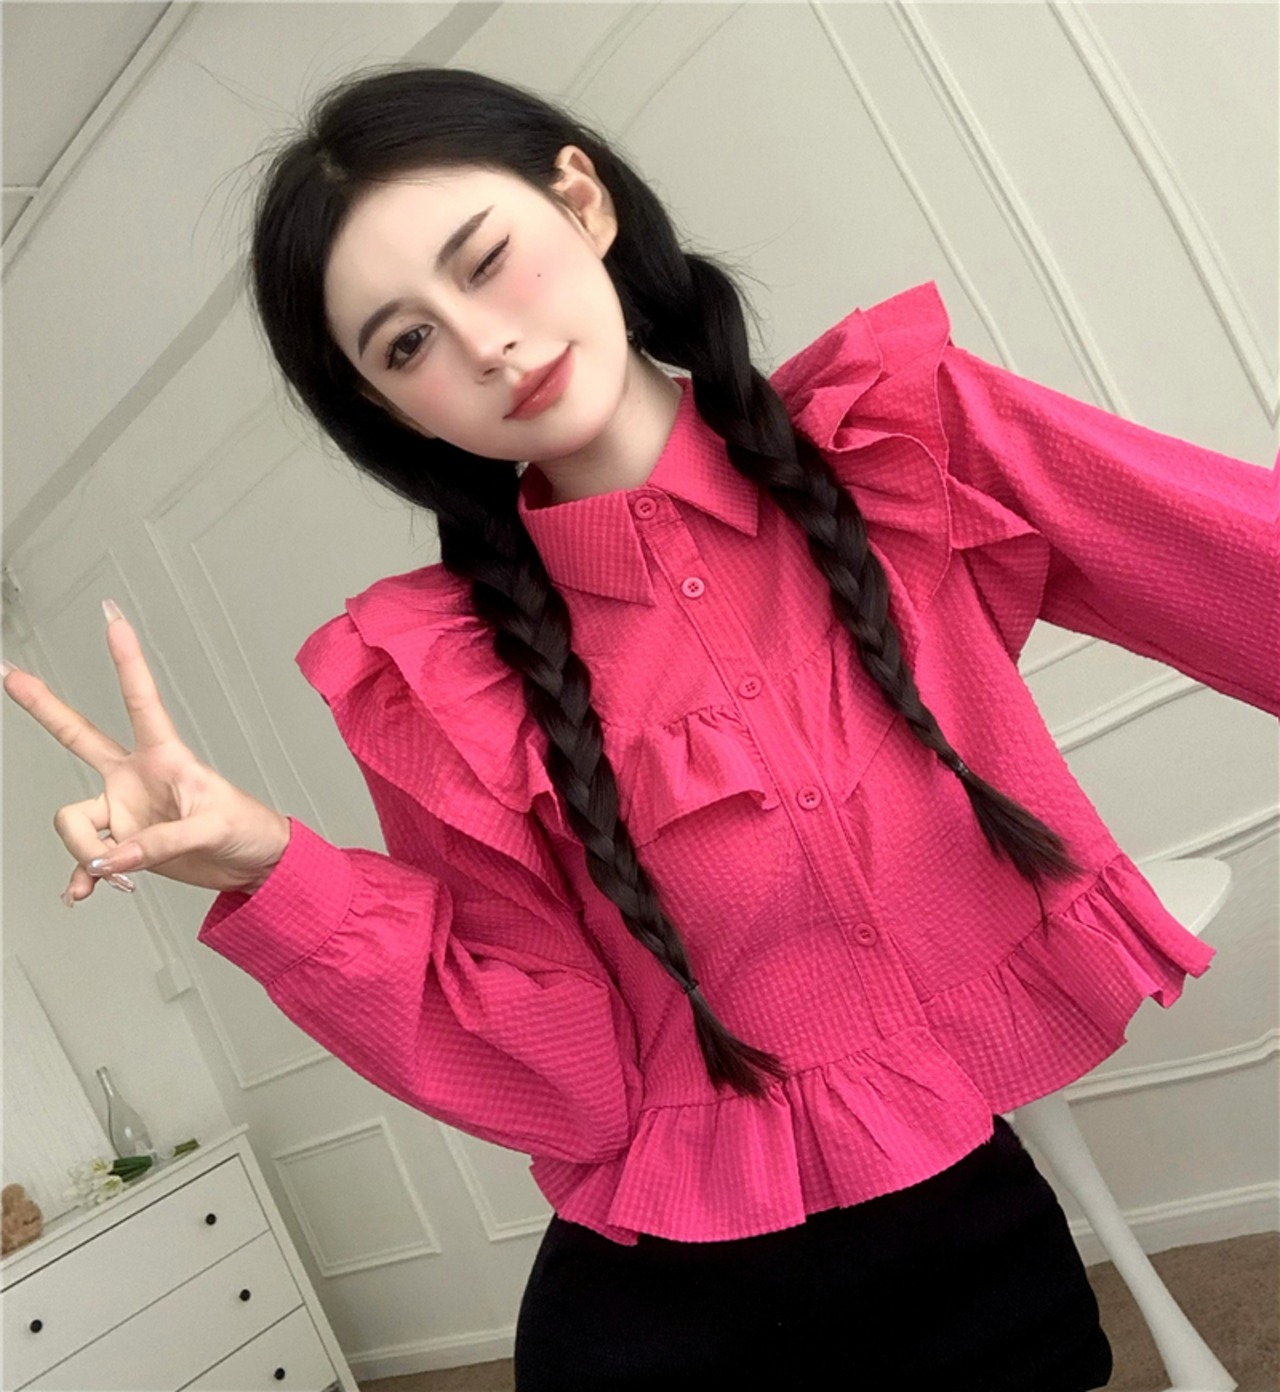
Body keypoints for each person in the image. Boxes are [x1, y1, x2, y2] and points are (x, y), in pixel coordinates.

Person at [5, 61, 1276, 1392]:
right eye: (406, 345)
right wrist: (274, 868)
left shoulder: (907, 442)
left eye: (485, 262)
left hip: (974, 1239)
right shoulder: (443, 681)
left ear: (583, 201)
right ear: (386, 407)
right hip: (663, 1318)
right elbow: (563, 1077)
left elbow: (1240, 567)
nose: (484, 345)